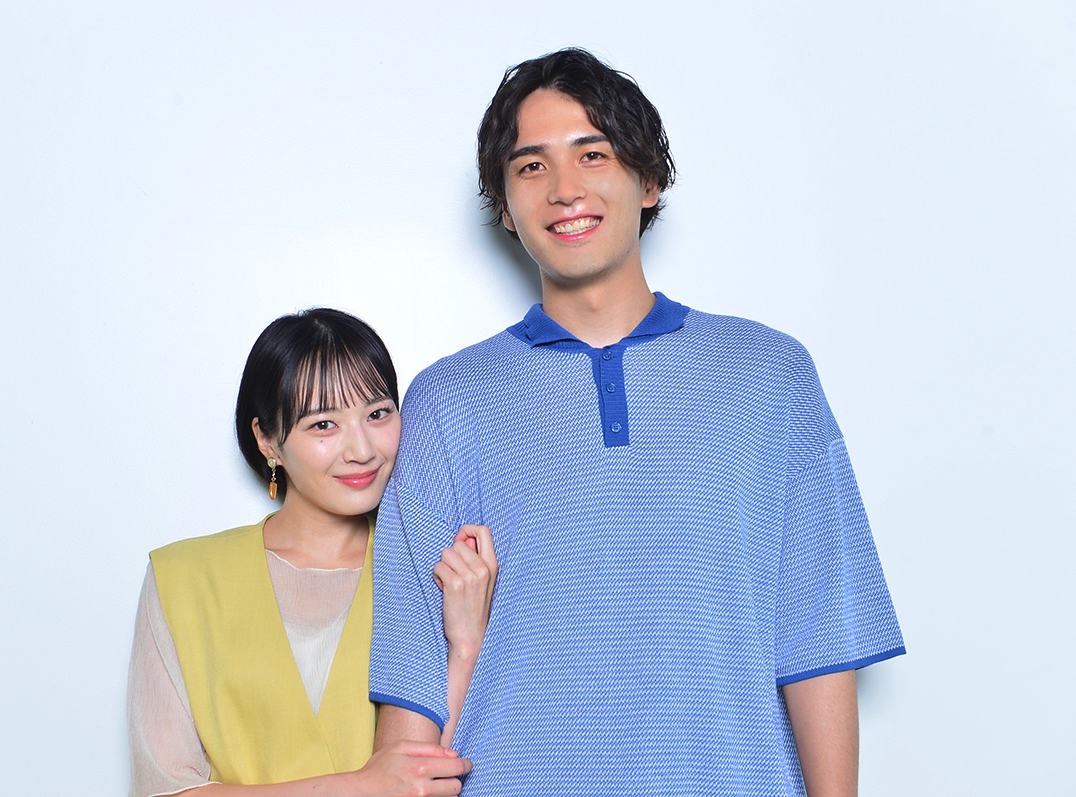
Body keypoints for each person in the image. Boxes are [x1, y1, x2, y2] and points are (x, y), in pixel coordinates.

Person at [369, 49, 905, 796]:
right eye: (531, 166)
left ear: (649, 181)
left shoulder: (771, 374)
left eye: (593, 154)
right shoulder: (449, 400)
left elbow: (818, 638)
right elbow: (412, 676)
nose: (565, 188)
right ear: (506, 206)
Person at [126, 308, 498, 797]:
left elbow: (430, 778)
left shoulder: (427, 566)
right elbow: (164, 791)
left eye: (378, 414)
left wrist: (466, 645)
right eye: (324, 425)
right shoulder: (183, 579)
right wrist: (360, 786)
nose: (361, 450)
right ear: (267, 441)